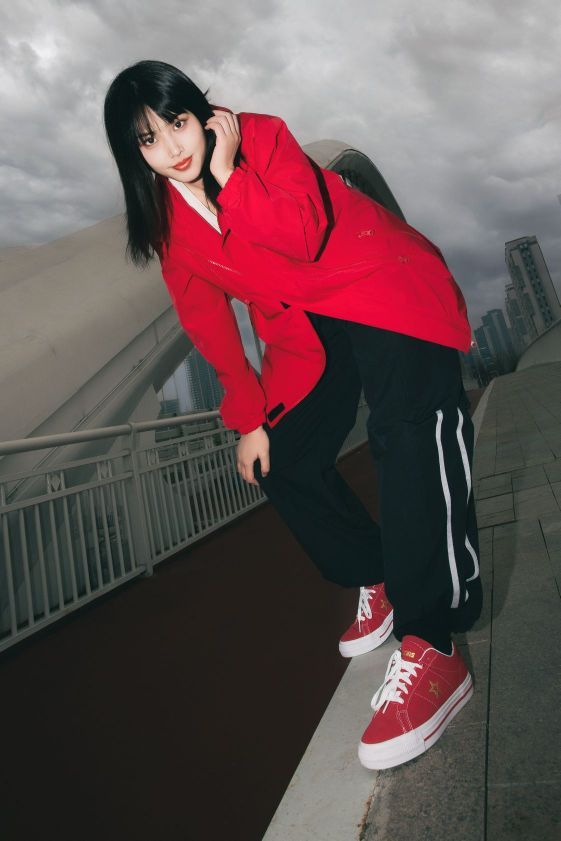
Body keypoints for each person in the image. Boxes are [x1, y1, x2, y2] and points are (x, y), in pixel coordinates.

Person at [103, 59, 483, 770]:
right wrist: (248, 416)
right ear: (135, 156)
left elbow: (301, 233)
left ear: (201, 114)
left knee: (407, 431)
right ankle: (377, 573)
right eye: (148, 140)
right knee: (280, 457)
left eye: (178, 123)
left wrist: (228, 173)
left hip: (380, 281)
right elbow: (208, 322)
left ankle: (433, 641)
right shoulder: (168, 227)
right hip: (307, 331)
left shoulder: (261, 140)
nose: (172, 148)